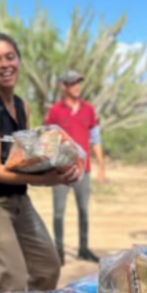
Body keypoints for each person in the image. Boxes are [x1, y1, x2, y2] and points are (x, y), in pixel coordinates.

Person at [0, 33, 81, 293]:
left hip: (18, 199)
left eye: (10, 57)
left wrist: (59, 166)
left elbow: (21, 158)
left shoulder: (21, 105)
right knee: (11, 283)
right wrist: (46, 181)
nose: (5, 64)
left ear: (19, 60)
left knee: (46, 269)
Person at [44, 70, 105, 264]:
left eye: (78, 82)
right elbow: (47, 139)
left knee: (84, 211)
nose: (77, 86)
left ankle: (83, 249)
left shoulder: (89, 109)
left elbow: (95, 139)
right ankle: (59, 252)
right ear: (63, 86)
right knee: (59, 212)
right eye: (72, 83)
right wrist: (48, 166)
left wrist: (101, 165)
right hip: (60, 171)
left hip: (83, 170)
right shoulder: (55, 110)